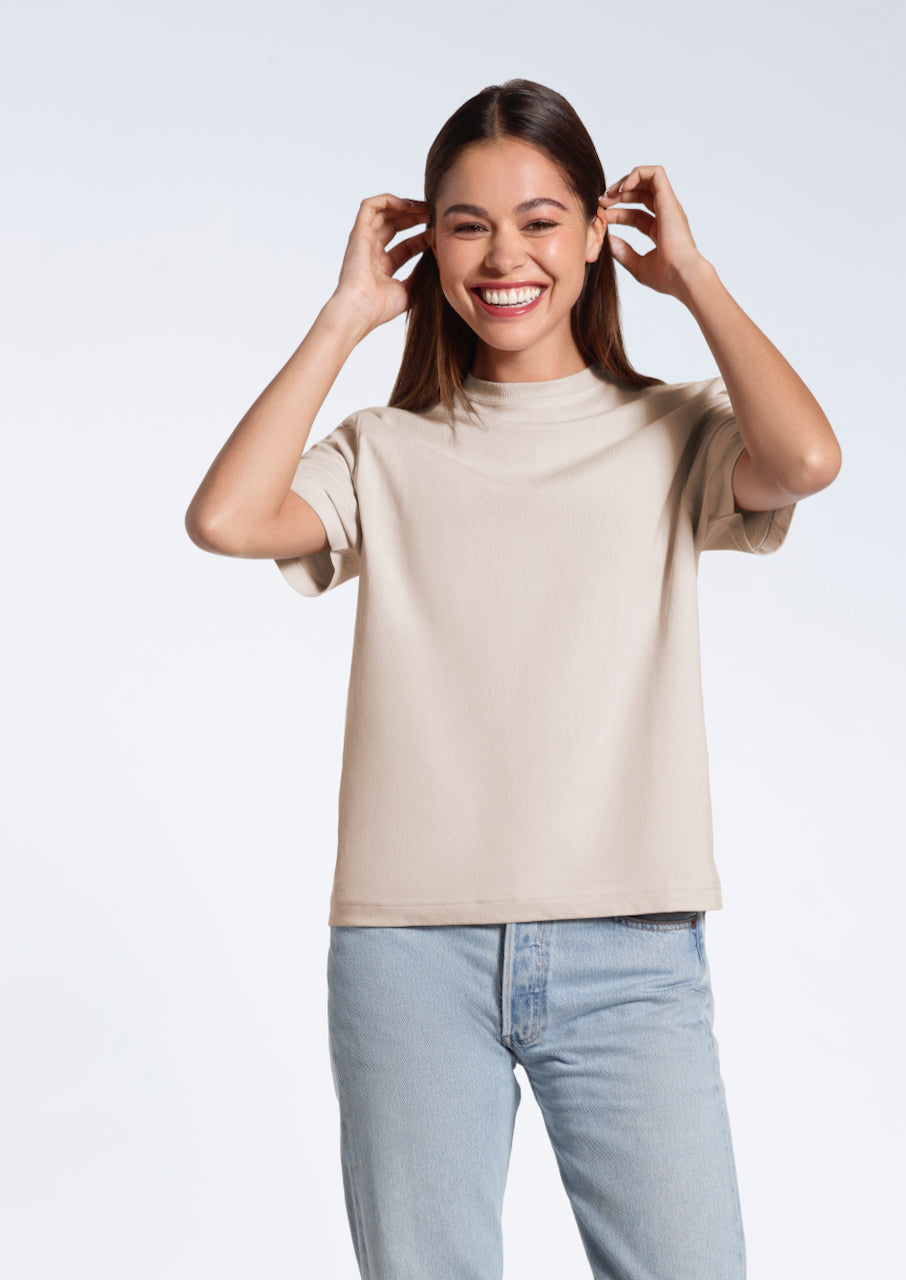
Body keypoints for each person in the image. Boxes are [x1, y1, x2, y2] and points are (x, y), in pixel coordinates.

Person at [185, 79, 840, 1280]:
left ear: (598, 231)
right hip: (407, 954)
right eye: (466, 224)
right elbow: (226, 518)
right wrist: (343, 317)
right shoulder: (382, 450)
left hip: (630, 949)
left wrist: (693, 277)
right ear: (426, 245)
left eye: (540, 220)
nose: (503, 257)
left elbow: (805, 456)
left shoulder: (672, 432)